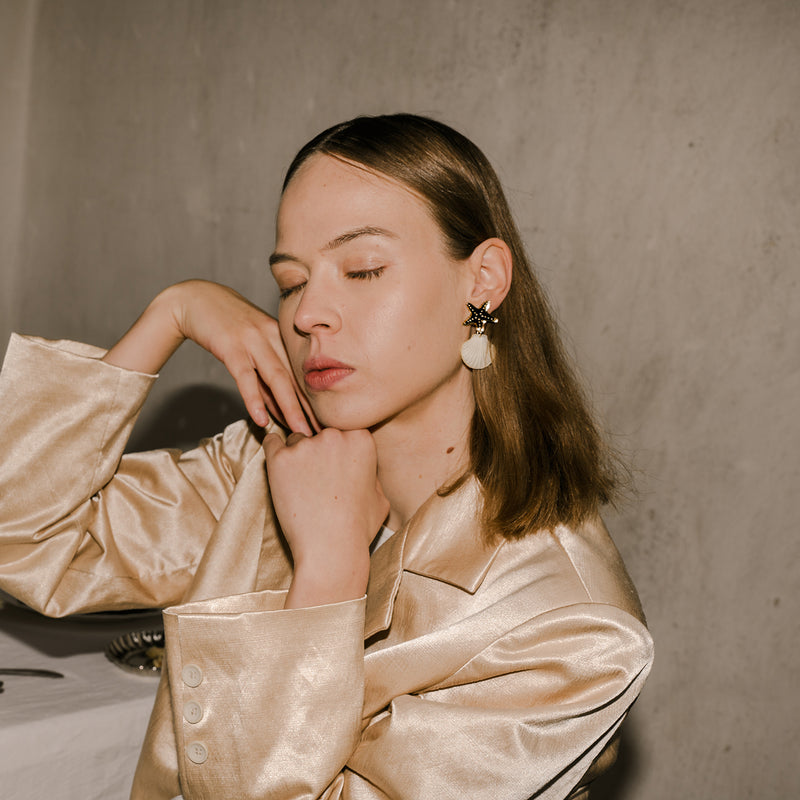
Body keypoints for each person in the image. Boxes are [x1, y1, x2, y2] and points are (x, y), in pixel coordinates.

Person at [0, 114, 653, 800]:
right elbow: (23, 533)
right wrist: (175, 312)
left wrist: (328, 569)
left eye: (363, 269)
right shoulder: (273, 463)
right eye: (290, 282)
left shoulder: (570, 635)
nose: (308, 312)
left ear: (483, 281)